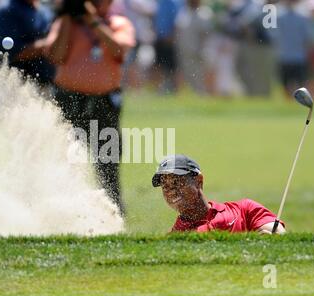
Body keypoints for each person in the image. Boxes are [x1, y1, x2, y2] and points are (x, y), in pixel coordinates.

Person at [46, 0, 135, 214]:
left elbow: (118, 51)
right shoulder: (65, 23)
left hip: (104, 102)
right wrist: (68, 17)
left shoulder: (118, 23)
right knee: (66, 159)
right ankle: (64, 213)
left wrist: (92, 20)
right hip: (69, 100)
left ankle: (114, 214)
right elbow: (56, 56)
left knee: (108, 162)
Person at [152, 155, 286, 234]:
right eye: (166, 186)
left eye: (178, 182)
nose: (171, 191)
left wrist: (272, 238)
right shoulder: (176, 237)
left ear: (199, 181)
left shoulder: (244, 210)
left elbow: (278, 234)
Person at [0, 0, 55, 88]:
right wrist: (47, 45)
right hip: (15, 86)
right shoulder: (9, 11)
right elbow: (13, 54)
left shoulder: (45, 11)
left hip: (45, 83)